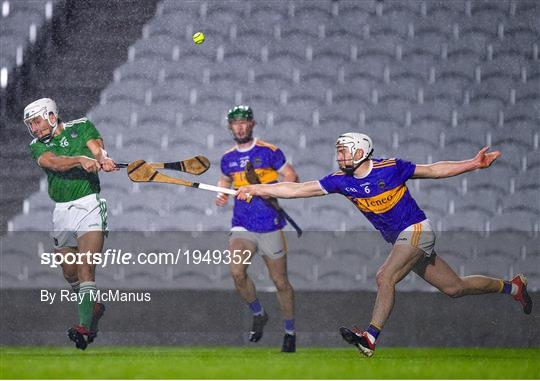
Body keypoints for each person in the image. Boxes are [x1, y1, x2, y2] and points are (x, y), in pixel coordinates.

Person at [236, 132, 533, 357]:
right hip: (402, 240)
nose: (339, 157)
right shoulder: (341, 180)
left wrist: (472, 164)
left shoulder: (391, 168)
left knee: (384, 276)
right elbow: (298, 188)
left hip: (416, 230)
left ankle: (370, 338)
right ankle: (513, 287)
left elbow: (433, 169)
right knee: (454, 288)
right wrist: (255, 188)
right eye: (338, 152)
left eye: (344, 151)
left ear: (361, 151)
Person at [24, 98, 118, 350]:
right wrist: (79, 159)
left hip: (89, 205)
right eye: (31, 124)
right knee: (70, 273)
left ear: (52, 116)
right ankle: (94, 308)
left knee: (86, 268)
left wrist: (103, 158)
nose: (34, 128)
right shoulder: (36, 146)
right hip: (62, 210)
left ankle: (84, 327)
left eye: (37, 121)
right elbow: (55, 163)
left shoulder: (82, 126)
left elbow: (97, 149)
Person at [216, 105, 299, 352]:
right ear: (230, 127)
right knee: (237, 271)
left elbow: (292, 177)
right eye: (235, 123)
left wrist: (271, 190)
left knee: (280, 282)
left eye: (244, 122)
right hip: (242, 225)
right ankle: (259, 313)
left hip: (270, 224)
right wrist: (221, 193)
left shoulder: (269, 151)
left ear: (252, 124)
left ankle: (289, 331)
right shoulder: (228, 158)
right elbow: (224, 180)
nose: (240, 126)